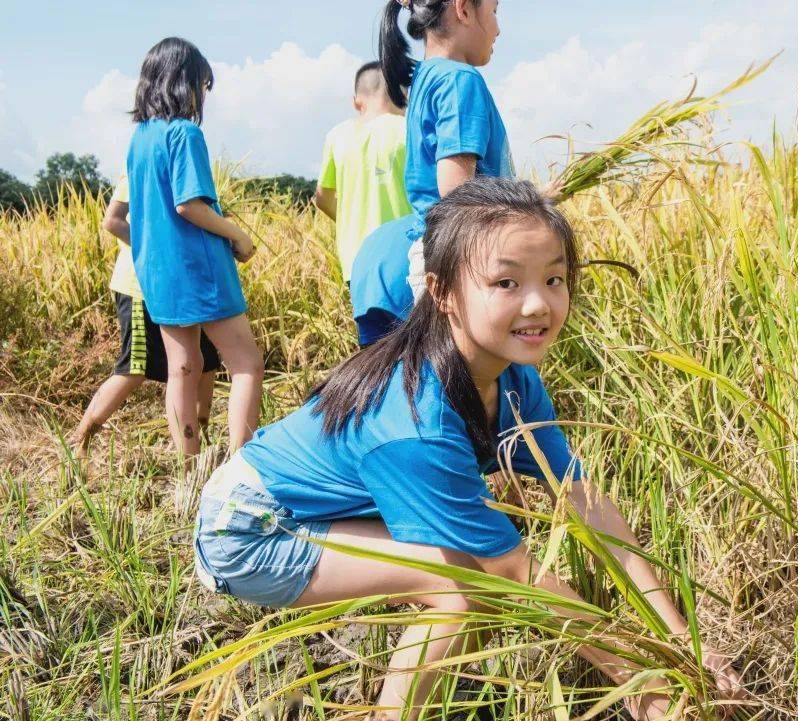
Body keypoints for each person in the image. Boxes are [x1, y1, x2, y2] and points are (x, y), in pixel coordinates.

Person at [193, 178, 742, 720]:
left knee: (465, 582)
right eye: (506, 283)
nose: (538, 305)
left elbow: (583, 500)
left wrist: (681, 640)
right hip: (250, 528)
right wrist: (638, 678)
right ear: (442, 292)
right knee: (464, 588)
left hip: (311, 508)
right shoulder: (416, 419)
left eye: (554, 278)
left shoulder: (511, 376)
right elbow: (510, 570)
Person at [126, 37, 264, 457]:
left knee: (183, 367)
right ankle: (241, 467)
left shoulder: (140, 139)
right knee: (247, 364)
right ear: (184, 82)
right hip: (198, 267)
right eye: (203, 84)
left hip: (156, 269)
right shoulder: (183, 133)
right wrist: (236, 234)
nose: (204, 94)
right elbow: (189, 205)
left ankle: (188, 467)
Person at [350, 0, 514, 345]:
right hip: (463, 254)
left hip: (434, 250)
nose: (498, 28)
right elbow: (456, 190)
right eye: (495, 11)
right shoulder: (460, 79)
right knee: (463, 381)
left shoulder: (427, 76)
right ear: (464, 9)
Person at [71, 175, 222, 458]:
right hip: (140, 286)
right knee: (134, 368)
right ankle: (80, 440)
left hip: (182, 285)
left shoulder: (184, 169)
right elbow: (113, 220)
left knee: (207, 359)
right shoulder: (141, 168)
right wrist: (154, 252)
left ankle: (200, 442)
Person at [314, 61, 411, 287]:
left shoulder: (337, 136)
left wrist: (352, 219)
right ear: (403, 95)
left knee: (369, 322)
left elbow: (322, 197)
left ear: (357, 101)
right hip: (405, 258)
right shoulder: (408, 130)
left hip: (356, 263)